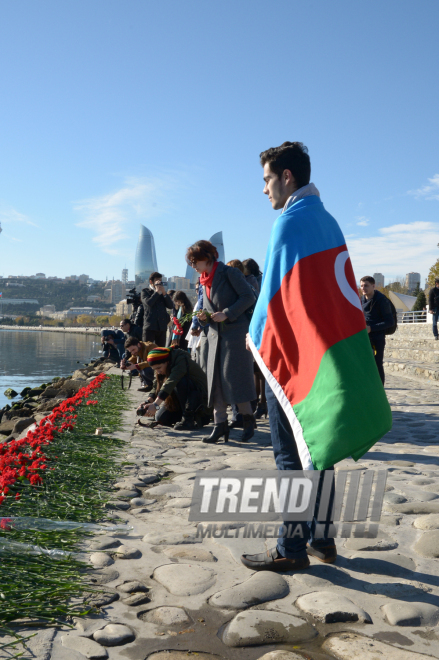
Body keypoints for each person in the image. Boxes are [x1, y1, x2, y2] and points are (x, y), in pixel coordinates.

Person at [241, 141, 391, 573]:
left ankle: (290, 546)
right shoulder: (327, 221)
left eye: (267, 179)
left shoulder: (288, 224)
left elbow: (274, 303)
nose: (264, 189)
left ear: (287, 177)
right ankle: (322, 539)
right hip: (323, 354)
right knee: (318, 449)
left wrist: (258, 345)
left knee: (290, 455)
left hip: (296, 358)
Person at [187, 240, 256, 443]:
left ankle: (248, 419)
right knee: (214, 382)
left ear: (207, 257)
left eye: (194, 260)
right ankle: (220, 425)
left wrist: (227, 313)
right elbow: (209, 307)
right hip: (213, 335)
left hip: (234, 335)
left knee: (235, 380)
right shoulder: (203, 279)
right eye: (190, 261)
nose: (192, 264)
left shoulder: (229, 273)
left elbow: (248, 297)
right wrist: (204, 317)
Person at [140, 347, 209, 430]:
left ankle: (189, 419)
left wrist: (155, 405)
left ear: (167, 362)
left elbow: (171, 382)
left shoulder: (181, 361)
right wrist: (148, 402)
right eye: (155, 369)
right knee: (161, 418)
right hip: (180, 401)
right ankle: (182, 415)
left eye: (159, 368)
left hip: (199, 399)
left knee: (179, 381)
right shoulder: (162, 366)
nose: (158, 371)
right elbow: (156, 386)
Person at [360, 276, 394, 384]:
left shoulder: (382, 300)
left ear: (373, 286)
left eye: (366, 285)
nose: (363, 288)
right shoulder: (361, 299)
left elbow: (390, 322)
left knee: (377, 364)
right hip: (365, 337)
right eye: (361, 286)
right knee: (364, 363)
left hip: (378, 338)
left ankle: (380, 391)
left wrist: (371, 328)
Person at [140, 272, 174, 345]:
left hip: (162, 327)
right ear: (151, 282)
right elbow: (149, 303)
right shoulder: (145, 291)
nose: (159, 283)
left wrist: (164, 293)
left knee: (161, 351)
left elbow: (171, 306)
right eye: (157, 281)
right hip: (150, 327)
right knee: (147, 350)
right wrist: (157, 292)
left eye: (160, 281)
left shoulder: (163, 293)